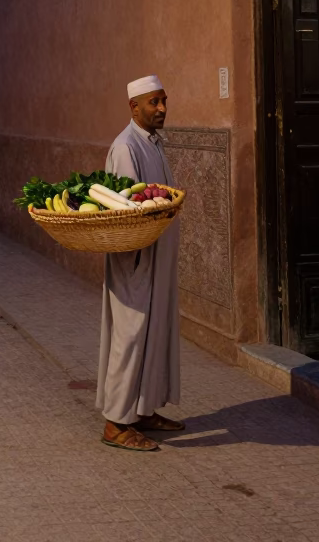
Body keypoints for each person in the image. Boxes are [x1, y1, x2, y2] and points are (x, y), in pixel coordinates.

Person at [96, 74, 183, 452]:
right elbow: (127, 208)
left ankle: (143, 410)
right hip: (135, 260)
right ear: (134, 107)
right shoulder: (126, 146)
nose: (161, 108)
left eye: (163, 100)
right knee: (130, 336)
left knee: (155, 331)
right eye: (153, 103)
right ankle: (117, 423)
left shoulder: (152, 143)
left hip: (156, 257)